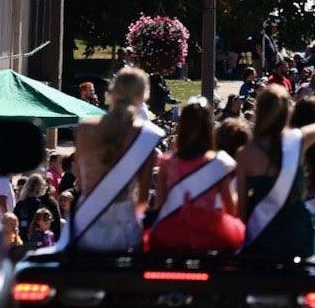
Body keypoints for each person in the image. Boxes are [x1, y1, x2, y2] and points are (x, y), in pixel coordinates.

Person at [235, 82, 315, 257]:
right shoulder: (298, 141)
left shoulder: (245, 153)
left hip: (260, 240)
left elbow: (241, 211)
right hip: (298, 238)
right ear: (287, 112)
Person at [68, 67, 163, 251]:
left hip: (85, 225)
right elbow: (142, 200)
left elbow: (79, 179)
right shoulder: (145, 134)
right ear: (143, 96)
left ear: (113, 91)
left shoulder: (85, 128)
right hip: (124, 229)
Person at [148, 99, 245, 253]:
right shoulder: (219, 163)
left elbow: (160, 206)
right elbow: (231, 210)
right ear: (209, 129)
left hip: (172, 233)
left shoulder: (166, 163)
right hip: (211, 233)